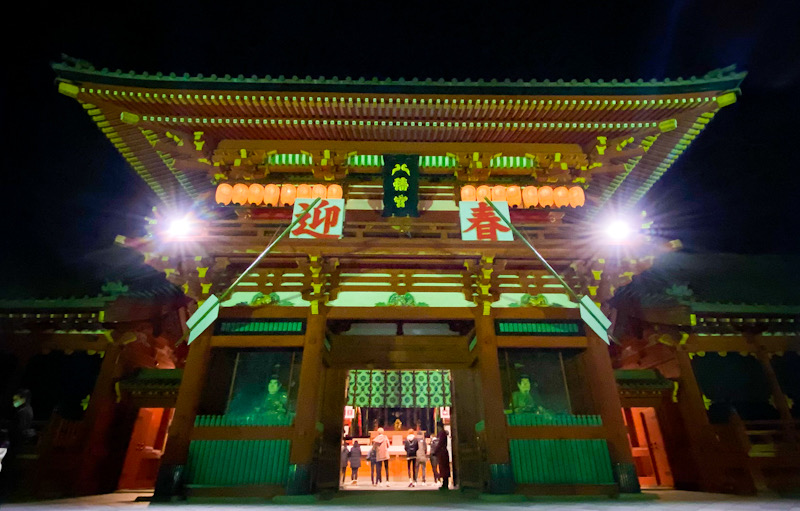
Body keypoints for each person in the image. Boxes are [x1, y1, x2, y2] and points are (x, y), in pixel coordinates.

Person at [431, 420, 450, 490]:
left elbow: (440, 444)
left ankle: (445, 484)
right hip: (443, 452)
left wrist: (435, 451)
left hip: (442, 452)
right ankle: (445, 483)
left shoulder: (442, 433)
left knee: (444, 468)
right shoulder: (443, 433)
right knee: (444, 468)